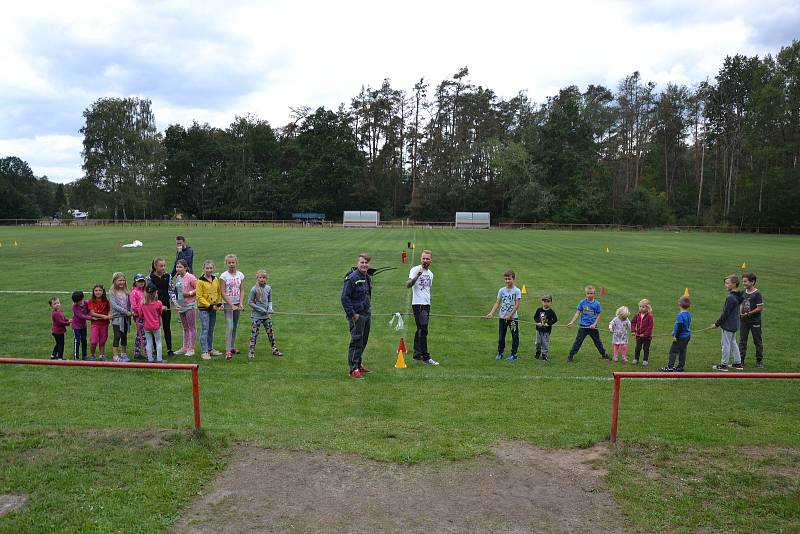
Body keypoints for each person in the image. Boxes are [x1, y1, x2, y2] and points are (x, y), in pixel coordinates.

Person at [341, 253, 373, 379]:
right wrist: (352, 314)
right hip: (357, 316)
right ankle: (353, 369)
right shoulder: (352, 278)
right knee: (356, 341)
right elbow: (344, 298)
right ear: (357, 263)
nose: (364, 265)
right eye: (362, 262)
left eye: (366, 262)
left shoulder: (367, 277)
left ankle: (359, 364)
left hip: (366, 314)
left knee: (363, 341)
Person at [406, 249, 439, 365]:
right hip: (418, 304)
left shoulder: (431, 274)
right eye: (423, 258)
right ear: (421, 259)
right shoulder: (415, 270)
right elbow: (408, 285)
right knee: (423, 330)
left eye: (427, 259)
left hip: (426, 304)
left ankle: (417, 354)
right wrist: (417, 276)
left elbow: (427, 289)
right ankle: (426, 357)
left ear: (431, 260)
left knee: (420, 329)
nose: (425, 260)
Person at [565, 285, 610, 363]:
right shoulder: (582, 302)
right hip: (583, 327)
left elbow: (599, 315)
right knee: (578, 342)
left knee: (598, 342)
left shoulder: (597, 304)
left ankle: (604, 355)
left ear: (594, 294)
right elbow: (577, 313)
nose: (589, 295)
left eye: (591, 293)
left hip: (593, 327)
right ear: (585, 294)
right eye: (588, 293)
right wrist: (572, 322)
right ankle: (570, 355)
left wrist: (594, 324)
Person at [486, 270, 522, 361]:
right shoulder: (501, 290)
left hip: (513, 319)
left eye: (509, 279)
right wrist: (491, 313)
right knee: (501, 336)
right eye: (505, 279)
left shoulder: (517, 291)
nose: (507, 281)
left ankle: (514, 354)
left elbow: (517, 305)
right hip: (502, 318)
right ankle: (500, 353)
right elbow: (497, 303)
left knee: (515, 336)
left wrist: (510, 315)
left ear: (513, 279)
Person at [712, 274, 745, 371]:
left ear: (734, 284)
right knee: (733, 342)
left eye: (727, 283)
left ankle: (723, 365)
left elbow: (725, 313)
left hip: (729, 325)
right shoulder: (738, 295)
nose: (725, 285)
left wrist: (717, 324)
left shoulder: (730, 298)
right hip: (735, 324)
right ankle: (738, 363)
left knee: (725, 344)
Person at [247, 269, 282, 359]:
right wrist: (261, 309)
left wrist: (270, 308)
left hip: (266, 316)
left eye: (264, 277)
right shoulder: (254, 289)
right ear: (257, 278)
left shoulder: (268, 288)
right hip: (256, 316)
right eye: (260, 277)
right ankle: (251, 351)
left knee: (270, 333)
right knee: (254, 334)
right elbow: (250, 302)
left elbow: (270, 300)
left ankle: (274, 349)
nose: (262, 279)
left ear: (266, 278)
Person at [219, 254, 245, 361]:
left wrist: (241, 303)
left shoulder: (240, 275)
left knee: (235, 326)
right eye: (229, 262)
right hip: (228, 305)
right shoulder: (224, 276)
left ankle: (232, 347)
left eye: (233, 262)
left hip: (237, 304)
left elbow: (242, 289)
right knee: (229, 326)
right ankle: (228, 350)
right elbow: (222, 291)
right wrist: (231, 305)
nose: (231, 264)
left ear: (236, 262)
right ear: (226, 263)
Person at [196, 260, 224, 360]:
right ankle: (204, 351)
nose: (209, 270)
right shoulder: (200, 281)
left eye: (210, 268)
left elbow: (218, 292)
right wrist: (209, 306)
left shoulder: (215, 279)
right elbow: (199, 297)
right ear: (203, 269)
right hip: (204, 309)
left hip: (213, 308)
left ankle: (210, 348)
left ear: (213, 268)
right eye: (207, 268)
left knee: (211, 329)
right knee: (205, 329)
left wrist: (219, 303)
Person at [148, 258, 174, 356]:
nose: (163, 268)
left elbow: (171, 291)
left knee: (167, 327)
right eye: (161, 266)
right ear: (155, 266)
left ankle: (169, 349)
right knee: (155, 328)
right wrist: (156, 304)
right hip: (154, 307)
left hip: (166, 306)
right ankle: (155, 350)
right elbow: (150, 293)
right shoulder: (150, 278)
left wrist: (175, 303)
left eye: (164, 265)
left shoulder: (168, 276)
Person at [738, 272, 764, 368]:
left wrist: (747, 314)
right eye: (743, 281)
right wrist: (740, 313)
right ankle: (741, 360)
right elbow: (741, 303)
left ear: (752, 282)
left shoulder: (757, 293)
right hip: (744, 321)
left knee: (757, 341)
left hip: (755, 321)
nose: (743, 283)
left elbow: (760, 308)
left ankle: (759, 361)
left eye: (745, 281)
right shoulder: (743, 292)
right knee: (742, 341)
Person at [173, 259, 198, 356]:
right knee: (185, 328)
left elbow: (198, 288)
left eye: (180, 267)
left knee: (192, 327)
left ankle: (191, 348)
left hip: (189, 305)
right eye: (177, 267)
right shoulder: (178, 277)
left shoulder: (191, 277)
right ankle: (185, 347)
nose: (178, 269)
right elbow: (177, 291)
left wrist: (189, 293)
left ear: (185, 268)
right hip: (181, 305)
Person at [661, 296, 692, 372]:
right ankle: (680, 367)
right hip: (687, 336)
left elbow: (680, 326)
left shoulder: (680, 315)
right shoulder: (689, 314)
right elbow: (683, 325)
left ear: (679, 305)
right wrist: (674, 331)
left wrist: (676, 336)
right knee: (682, 351)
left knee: (673, 351)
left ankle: (670, 367)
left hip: (680, 337)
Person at [108, 272, 133, 362]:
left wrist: (131, 310)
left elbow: (130, 303)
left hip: (126, 318)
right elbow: (114, 306)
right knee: (117, 336)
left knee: (124, 336)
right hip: (117, 318)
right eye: (119, 280)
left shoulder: (127, 291)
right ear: (114, 281)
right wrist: (126, 312)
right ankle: (115, 355)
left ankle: (124, 354)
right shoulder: (112, 292)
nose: (122, 282)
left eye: (123, 280)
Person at [142, 283, 168, 363]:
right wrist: (163, 309)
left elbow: (140, 314)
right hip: (156, 326)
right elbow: (159, 313)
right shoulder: (158, 303)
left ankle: (150, 359)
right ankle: (159, 359)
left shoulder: (142, 303)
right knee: (158, 342)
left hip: (146, 326)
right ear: (155, 293)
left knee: (149, 342)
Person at [87, 284, 111, 361]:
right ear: (93, 292)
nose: (98, 292)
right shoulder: (91, 301)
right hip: (95, 324)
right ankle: (92, 355)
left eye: (100, 290)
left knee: (102, 341)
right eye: (96, 290)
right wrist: (103, 316)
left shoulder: (106, 301)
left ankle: (102, 355)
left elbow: (110, 310)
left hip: (104, 324)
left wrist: (109, 315)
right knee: (93, 341)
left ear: (103, 291)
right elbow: (92, 313)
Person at [533, 293, 558, 362]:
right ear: (542, 302)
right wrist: (538, 322)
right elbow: (535, 317)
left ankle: (544, 354)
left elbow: (555, 319)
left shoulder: (551, 312)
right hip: (538, 330)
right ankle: (538, 352)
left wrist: (548, 324)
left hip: (546, 331)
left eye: (548, 301)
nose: (546, 303)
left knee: (545, 343)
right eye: (544, 301)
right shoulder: (539, 310)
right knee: (538, 342)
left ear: (551, 302)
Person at [630, 299, 654, 366]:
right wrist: (633, 331)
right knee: (637, 348)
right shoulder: (637, 315)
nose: (641, 308)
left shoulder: (650, 316)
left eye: (643, 307)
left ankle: (645, 360)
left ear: (647, 308)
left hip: (647, 337)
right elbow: (633, 322)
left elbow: (650, 327)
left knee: (646, 348)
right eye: (640, 306)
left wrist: (645, 334)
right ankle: (636, 359)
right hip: (638, 335)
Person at [130, 274, 148, 360]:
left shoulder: (145, 291)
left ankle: (137, 352)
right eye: (139, 281)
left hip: (147, 316)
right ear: (135, 282)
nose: (141, 283)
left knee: (139, 334)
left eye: (142, 281)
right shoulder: (134, 292)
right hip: (139, 317)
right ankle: (147, 354)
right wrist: (140, 312)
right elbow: (134, 305)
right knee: (143, 335)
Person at [71, 290, 91, 360]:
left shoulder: (86, 303)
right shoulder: (74, 306)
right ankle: (76, 356)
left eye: (79, 301)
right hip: (76, 327)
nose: (77, 303)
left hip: (83, 326)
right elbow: (81, 316)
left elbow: (89, 311)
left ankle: (84, 355)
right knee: (77, 341)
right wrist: (91, 318)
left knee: (84, 340)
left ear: (82, 298)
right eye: (76, 301)